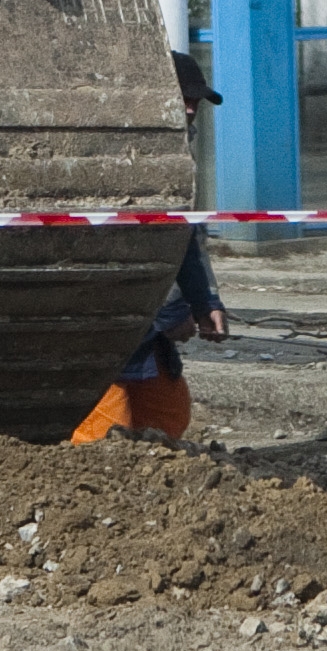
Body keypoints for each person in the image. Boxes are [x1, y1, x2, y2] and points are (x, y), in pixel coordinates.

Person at [75, 51, 231, 443]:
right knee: (108, 430)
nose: (192, 108)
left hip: (144, 336)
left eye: (197, 100)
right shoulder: (113, 160)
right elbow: (121, 247)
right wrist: (171, 313)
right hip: (98, 328)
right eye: (184, 97)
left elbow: (182, 235)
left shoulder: (179, 150)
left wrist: (203, 301)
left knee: (168, 418)